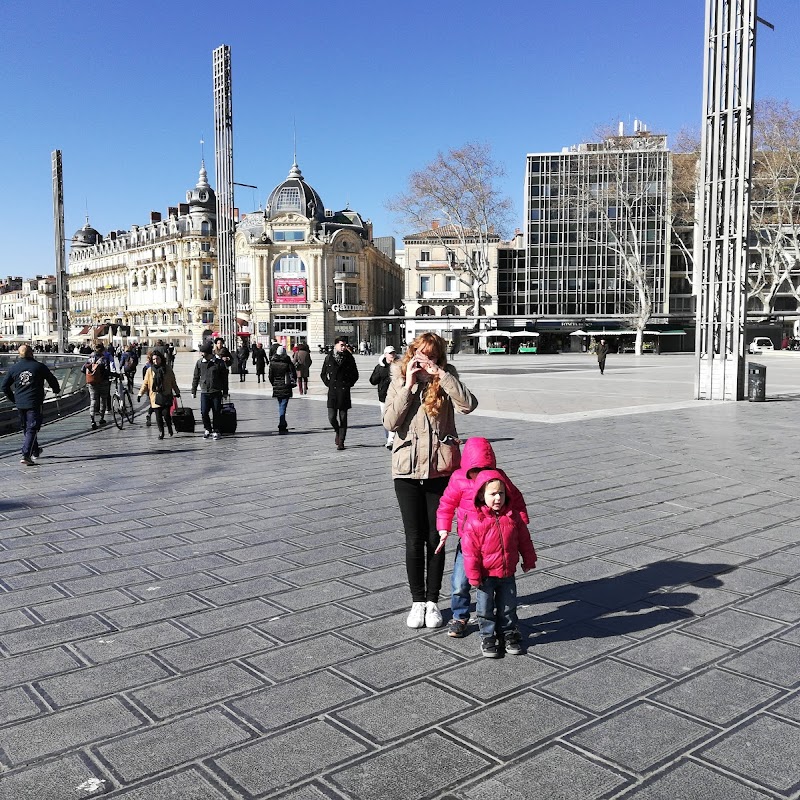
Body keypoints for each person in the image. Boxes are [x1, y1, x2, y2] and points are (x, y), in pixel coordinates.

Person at [384, 332, 477, 629]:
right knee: (414, 539)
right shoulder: (399, 378)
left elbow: (468, 405)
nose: (425, 360)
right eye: (420, 354)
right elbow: (389, 422)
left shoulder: (446, 379)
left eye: (432, 356)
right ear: (411, 353)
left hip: (440, 470)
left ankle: (433, 602)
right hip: (407, 472)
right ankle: (417, 602)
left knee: (437, 539)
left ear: (439, 358)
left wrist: (442, 374)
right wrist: (409, 386)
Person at [435, 437, 529, 638]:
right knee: (460, 582)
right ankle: (460, 616)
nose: (480, 475)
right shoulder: (459, 479)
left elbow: (516, 499)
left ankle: (500, 619)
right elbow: (446, 505)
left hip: (493, 539)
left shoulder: (498, 477)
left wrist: (521, 520)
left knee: (492, 584)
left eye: (484, 469)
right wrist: (443, 529)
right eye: (475, 470)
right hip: (468, 541)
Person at [460, 471, 537, 658]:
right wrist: (473, 575)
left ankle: (508, 633)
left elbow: (524, 540)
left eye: (501, 493)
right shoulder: (474, 522)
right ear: (481, 495)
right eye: (492, 494)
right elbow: (469, 553)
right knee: (485, 608)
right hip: (485, 576)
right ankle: (487, 636)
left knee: (508, 606)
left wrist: (529, 559)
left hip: (507, 572)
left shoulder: (513, 517)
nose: (497, 498)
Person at [1, 344, 61, 466]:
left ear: (19, 354)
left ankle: (35, 450)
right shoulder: (39, 367)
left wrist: (14, 399)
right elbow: (52, 379)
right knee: (32, 427)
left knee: (26, 427)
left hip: (20, 403)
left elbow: (4, 386)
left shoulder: (14, 368)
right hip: (34, 401)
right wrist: (56, 390)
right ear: (31, 353)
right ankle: (26, 454)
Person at [321, 336, 359, 450]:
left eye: (345, 345)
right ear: (336, 345)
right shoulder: (329, 357)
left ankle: (341, 441)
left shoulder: (349, 358)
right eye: (341, 345)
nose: (343, 347)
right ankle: (337, 431)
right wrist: (329, 383)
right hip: (333, 391)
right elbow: (323, 374)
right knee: (331, 417)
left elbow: (355, 374)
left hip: (344, 391)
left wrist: (348, 384)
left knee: (343, 417)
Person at [138, 350, 181, 440]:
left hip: (166, 395)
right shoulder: (150, 370)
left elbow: (173, 381)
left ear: (161, 359)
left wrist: (177, 392)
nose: (155, 361)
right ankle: (161, 432)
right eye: (153, 359)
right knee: (158, 416)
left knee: (166, 415)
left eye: (157, 359)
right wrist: (140, 394)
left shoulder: (168, 369)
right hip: (155, 396)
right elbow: (145, 383)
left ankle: (169, 427)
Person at [191, 342, 226, 440]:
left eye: (203, 352)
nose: (201, 354)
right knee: (204, 411)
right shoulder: (199, 363)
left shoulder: (218, 362)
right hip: (205, 391)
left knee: (216, 412)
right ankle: (207, 428)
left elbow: (224, 378)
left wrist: (225, 391)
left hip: (216, 391)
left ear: (208, 353)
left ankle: (216, 430)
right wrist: (193, 390)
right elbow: (196, 377)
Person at [369, 345, 397, 449]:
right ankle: (388, 437)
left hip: (395, 396)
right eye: (390, 353)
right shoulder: (380, 367)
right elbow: (372, 381)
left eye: (393, 353)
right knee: (385, 419)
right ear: (385, 355)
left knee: (393, 417)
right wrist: (379, 373)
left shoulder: (399, 365)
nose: (392, 355)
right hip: (383, 396)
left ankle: (391, 440)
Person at [82, 343, 112, 429]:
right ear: (103, 350)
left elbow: (83, 369)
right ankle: (101, 418)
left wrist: (91, 375)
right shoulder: (104, 359)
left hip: (92, 383)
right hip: (103, 382)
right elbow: (107, 371)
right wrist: (115, 375)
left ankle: (92, 419)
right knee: (103, 399)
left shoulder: (90, 358)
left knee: (93, 400)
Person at [268, 345, 296, 434]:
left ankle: (283, 421)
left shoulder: (272, 363)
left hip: (277, 386)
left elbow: (270, 376)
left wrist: (274, 383)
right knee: (283, 405)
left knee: (281, 404)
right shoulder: (287, 362)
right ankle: (282, 423)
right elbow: (293, 374)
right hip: (286, 385)